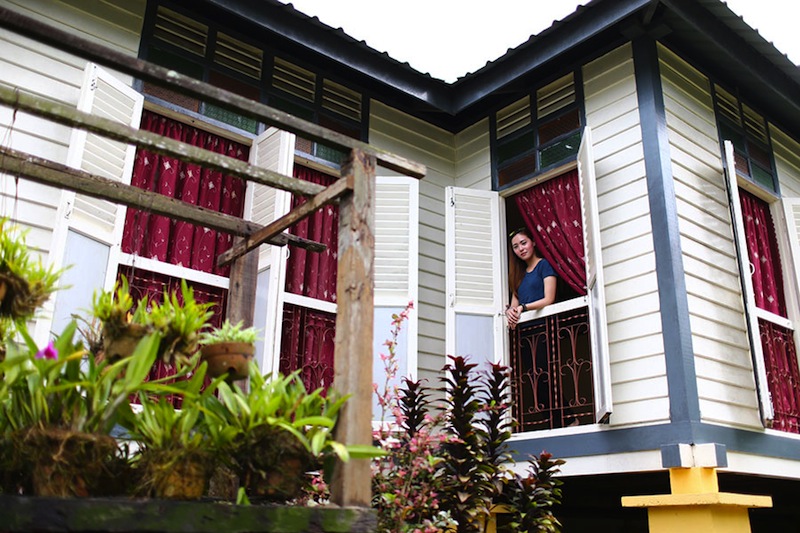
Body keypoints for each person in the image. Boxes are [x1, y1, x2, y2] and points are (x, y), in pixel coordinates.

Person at [505, 226, 557, 330]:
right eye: (515, 246)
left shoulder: (544, 265)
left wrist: (524, 307)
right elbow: (514, 306)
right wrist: (509, 312)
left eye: (524, 243)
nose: (521, 249)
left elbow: (549, 299)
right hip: (523, 331)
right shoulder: (518, 274)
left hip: (544, 328)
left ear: (533, 242)